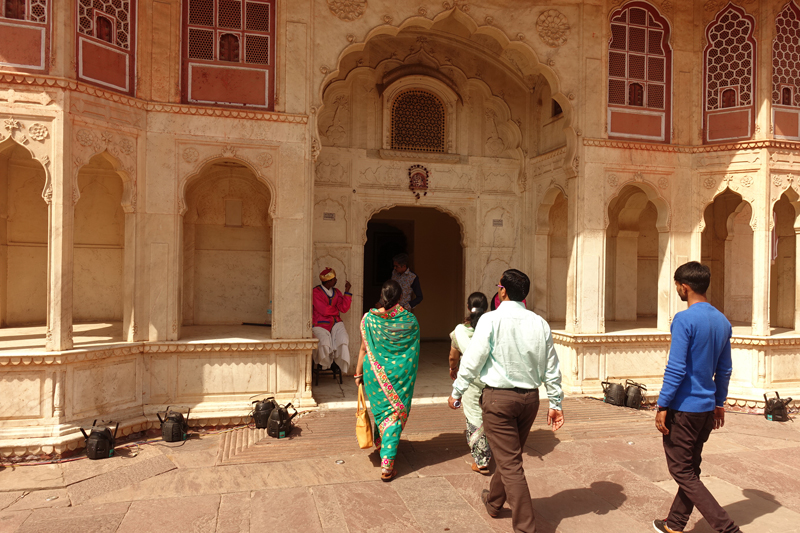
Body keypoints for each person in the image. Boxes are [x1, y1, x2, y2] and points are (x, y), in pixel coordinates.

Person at [448, 269, 564, 533]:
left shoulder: (490, 320)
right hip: (529, 400)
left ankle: (525, 527)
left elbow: (473, 359)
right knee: (509, 456)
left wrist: (457, 391)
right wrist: (555, 402)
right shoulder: (539, 323)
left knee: (511, 463)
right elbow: (551, 367)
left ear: (502, 291)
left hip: (499, 399)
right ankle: (493, 501)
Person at [653, 262, 739, 533]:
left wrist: (663, 404)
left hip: (684, 409)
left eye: (677, 285)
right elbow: (724, 369)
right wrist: (719, 402)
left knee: (683, 471)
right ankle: (675, 524)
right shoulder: (722, 321)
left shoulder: (685, 319)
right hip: (704, 410)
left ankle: (727, 528)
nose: (677, 289)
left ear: (684, 286)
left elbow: (676, 367)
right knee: (691, 469)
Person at [354, 279, 420, 482]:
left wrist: (358, 374)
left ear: (382, 296)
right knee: (393, 416)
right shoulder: (409, 320)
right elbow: (412, 350)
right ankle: (387, 467)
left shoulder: (368, 320)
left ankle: (382, 444)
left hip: (375, 374)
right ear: (400, 297)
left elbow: (364, 349)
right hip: (400, 376)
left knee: (383, 411)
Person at [448, 292, 492, 475]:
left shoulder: (460, 330)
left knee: (474, 415)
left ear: (468, 307)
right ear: (487, 308)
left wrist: (453, 369)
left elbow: (453, 356)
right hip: (492, 377)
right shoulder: (492, 327)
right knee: (492, 414)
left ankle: (481, 459)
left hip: (471, 379)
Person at [311, 268, 352, 374]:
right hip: (320, 324)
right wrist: (335, 311)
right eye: (334, 279)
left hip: (335, 322)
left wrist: (347, 292)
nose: (336, 280)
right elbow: (323, 310)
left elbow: (343, 308)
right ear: (328, 281)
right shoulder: (316, 292)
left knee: (343, 339)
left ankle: (336, 362)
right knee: (324, 342)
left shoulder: (337, 292)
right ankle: (326, 363)